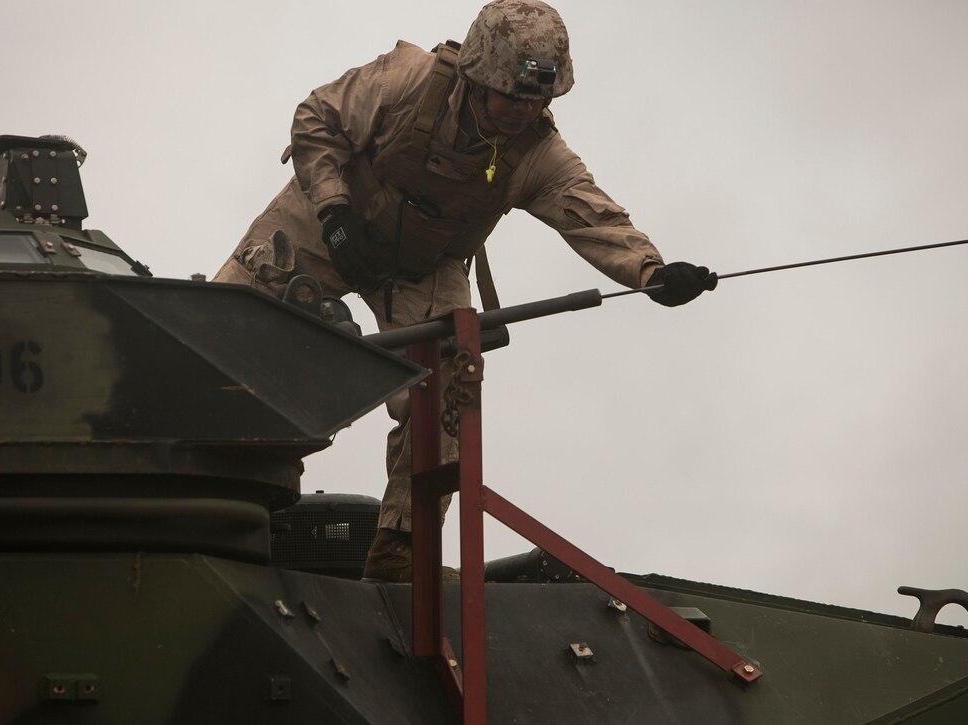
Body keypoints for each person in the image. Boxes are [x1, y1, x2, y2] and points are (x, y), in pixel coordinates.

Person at [213, 0, 717, 582]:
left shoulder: (538, 156)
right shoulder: (407, 80)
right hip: (328, 221)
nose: (523, 111)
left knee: (451, 378)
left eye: (538, 100)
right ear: (479, 77)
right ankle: (196, 483)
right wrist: (334, 210)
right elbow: (316, 118)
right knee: (225, 327)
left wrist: (651, 273)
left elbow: (593, 216)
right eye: (513, 96)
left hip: (423, 264)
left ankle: (401, 549)